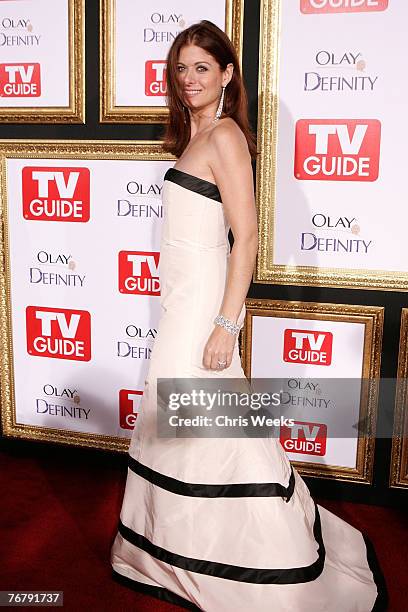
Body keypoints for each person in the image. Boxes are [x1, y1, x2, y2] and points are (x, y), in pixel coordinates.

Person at [111, 20, 386, 611]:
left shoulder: (227, 137)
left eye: (202, 68)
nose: (189, 79)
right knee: (185, 423)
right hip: (182, 303)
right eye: (180, 68)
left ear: (227, 73)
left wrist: (226, 324)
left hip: (205, 311)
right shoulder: (195, 135)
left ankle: (255, 555)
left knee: (211, 424)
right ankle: (170, 551)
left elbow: (249, 234)